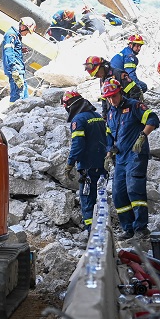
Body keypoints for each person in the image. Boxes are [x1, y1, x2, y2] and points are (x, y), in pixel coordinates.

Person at [103, 78, 159, 241]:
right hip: (120, 158)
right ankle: (128, 228)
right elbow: (109, 134)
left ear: (120, 92)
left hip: (135, 155)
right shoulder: (111, 112)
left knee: (134, 189)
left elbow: (153, 119)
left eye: (114, 96)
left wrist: (142, 136)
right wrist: (109, 152)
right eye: (108, 98)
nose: (112, 100)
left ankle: (141, 228)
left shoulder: (134, 106)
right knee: (119, 194)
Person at [62, 91, 106, 233]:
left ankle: (90, 230)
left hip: (87, 165)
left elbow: (78, 145)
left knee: (87, 198)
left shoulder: (78, 120)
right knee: (100, 197)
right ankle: (101, 227)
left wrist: (69, 164)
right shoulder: (97, 116)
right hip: (102, 164)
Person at [2, 17, 35, 102]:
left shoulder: (16, 35)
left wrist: (20, 50)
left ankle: (23, 113)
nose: (27, 34)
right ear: (23, 27)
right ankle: (13, 114)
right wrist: (14, 70)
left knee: (24, 94)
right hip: (15, 71)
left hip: (18, 70)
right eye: (27, 32)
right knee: (17, 96)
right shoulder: (11, 35)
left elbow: (13, 50)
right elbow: (8, 52)